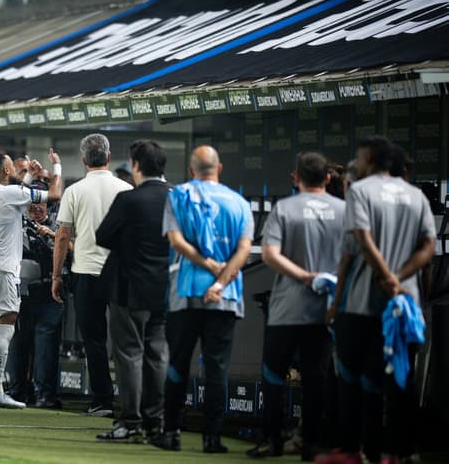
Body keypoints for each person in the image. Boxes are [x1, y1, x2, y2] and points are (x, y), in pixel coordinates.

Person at [323, 136, 436, 464]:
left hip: (363, 305)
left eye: (358, 157)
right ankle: (400, 452)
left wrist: (384, 276)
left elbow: (358, 242)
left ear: (370, 158)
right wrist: (401, 279)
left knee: (356, 380)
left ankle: (357, 450)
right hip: (406, 304)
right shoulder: (416, 196)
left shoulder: (359, 191)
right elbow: (427, 248)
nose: (355, 163)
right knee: (401, 378)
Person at [246, 152, 345, 461]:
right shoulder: (346, 211)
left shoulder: (285, 209)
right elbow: (355, 257)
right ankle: (310, 444)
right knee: (317, 377)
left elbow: (270, 255)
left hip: (287, 309)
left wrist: (305, 277)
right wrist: (331, 280)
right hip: (326, 309)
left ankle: (273, 440)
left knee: (274, 374)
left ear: (297, 177)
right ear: (328, 178)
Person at [158, 146, 253, 454]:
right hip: (225, 297)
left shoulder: (179, 195)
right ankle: (212, 438)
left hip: (186, 293)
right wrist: (221, 279)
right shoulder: (238, 202)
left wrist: (207, 265)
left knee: (178, 364)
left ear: (191, 169)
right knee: (217, 368)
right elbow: (243, 250)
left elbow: (175, 241)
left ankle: (171, 432)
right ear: (219, 168)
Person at [94, 140, 172, 442]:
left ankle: (130, 421)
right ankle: (156, 421)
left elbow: (103, 236)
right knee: (157, 355)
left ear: (136, 165)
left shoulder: (129, 199)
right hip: (164, 289)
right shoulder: (177, 197)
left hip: (127, 289)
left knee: (129, 355)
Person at [51, 134, 131, 417]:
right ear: (109, 158)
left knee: (94, 340)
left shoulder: (74, 191)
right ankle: (132, 401)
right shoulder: (126, 188)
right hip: (120, 272)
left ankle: (102, 400)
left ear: (84, 161)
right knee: (126, 340)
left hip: (85, 272)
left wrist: (56, 276)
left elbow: (62, 237)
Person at [0, 149, 62, 409]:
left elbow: (16, 196)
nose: (15, 170)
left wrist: (30, 177)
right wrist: (56, 167)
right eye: (11, 167)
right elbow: (55, 195)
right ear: (5, 170)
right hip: (3, 269)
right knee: (6, 328)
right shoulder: (11, 193)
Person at [7, 193, 65, 409]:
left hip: (50, 292)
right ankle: (16, 392)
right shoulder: (14, 226)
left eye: (40, 203)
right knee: (18, 342)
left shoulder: (60, 225)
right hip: (19, 293)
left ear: (47, 205)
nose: (35, 208)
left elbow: (69, 249)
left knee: (46, 344)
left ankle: (44, 395)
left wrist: (51, 235)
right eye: (31, 204)